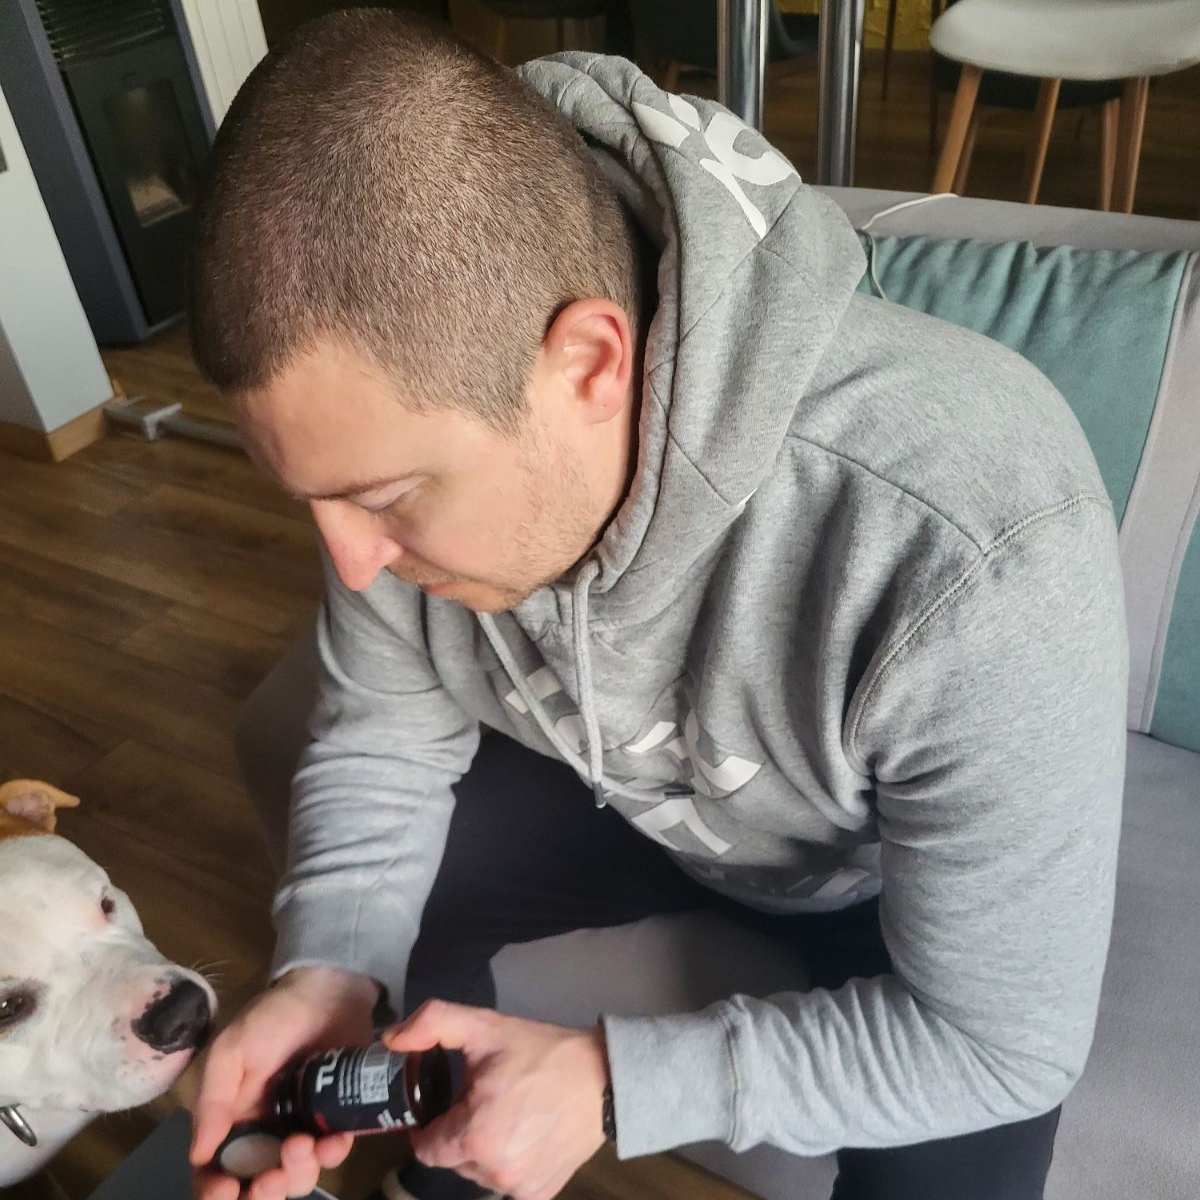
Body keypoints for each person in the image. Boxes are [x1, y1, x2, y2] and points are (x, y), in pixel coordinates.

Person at [185, 10, 1128, 1200]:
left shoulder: (974, 545)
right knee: (394, 924)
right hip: (609, 786)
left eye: (385, 498)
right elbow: (378, 734)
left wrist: (613, 1083)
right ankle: (444, 1168)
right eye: (316, 500)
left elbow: (1002, 1044)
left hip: (876, 871)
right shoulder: (398, 438)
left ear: (589, 363)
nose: (354, 563)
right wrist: (328, 966)